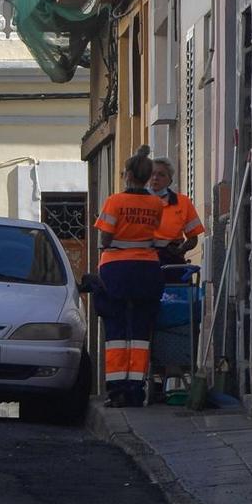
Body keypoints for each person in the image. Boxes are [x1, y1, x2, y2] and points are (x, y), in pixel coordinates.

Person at [92, 146, 167, 406]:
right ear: (147, 177)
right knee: (140, 331)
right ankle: (136, 389)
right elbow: (153, 231)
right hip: (147, 268)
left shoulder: (115, 201)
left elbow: (105, 236)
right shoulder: (156, 203)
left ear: (127, 175)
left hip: (115, 268)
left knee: (116, 329)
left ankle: (116, 390)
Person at [148, 156, 206, 262]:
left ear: (170, 181)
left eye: (161, 175)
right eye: (152, 174)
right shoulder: (139, 201)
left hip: (171, 259)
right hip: (144, 258)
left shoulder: (182, 202)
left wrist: (180, 250)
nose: (155, 178)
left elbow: (193, 239)